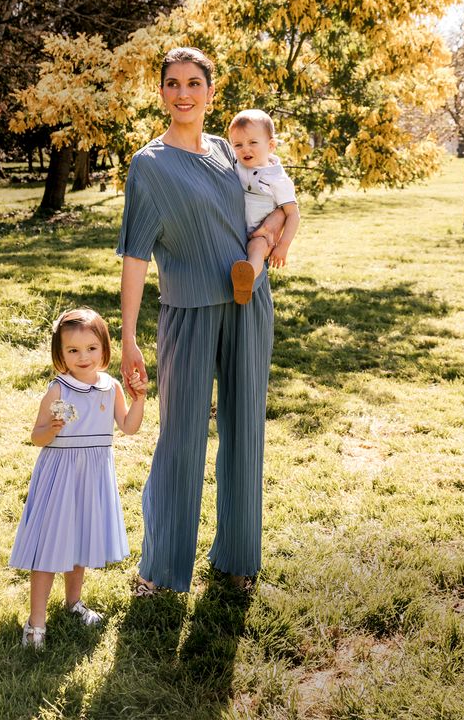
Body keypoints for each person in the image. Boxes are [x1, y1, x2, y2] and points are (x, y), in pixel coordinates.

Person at [117, 47, 286, 595]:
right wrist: (127, 339)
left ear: (211, 92)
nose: (183, 93)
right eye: (173, 83)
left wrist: (284, 233)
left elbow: (276, 202)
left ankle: (237, 561)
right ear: (161, 92)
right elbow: (136, 256)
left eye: (194, 83)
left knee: (244, 431)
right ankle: (163, 571)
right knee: (181, 439)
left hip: (247, 306)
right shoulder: (149, 165)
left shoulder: (229, 150)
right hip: (186, 314)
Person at [9, 307, 146, 648]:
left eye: (91, 349)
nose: (83, 357)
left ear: (104, 349)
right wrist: (51, 429)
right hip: (60, 475)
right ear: (61, 354)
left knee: (80, 540)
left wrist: (139, 399)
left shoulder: (110, 387)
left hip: (93, 475)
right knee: (50, 547)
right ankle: (35, 623)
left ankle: (73, 603)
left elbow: (129, 427)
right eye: (73, 350)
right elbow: (36, 436)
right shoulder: (59, 390)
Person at [228, 108, 300, 305]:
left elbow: (293, 214)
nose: (245, 149)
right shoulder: (236, 166)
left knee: (257, 248)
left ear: (271, 146)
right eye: (238, 144)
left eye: (253, 143)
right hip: (234, 230)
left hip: (262, 234)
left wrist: (283, 246)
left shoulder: (277, 178)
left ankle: (246, 279)